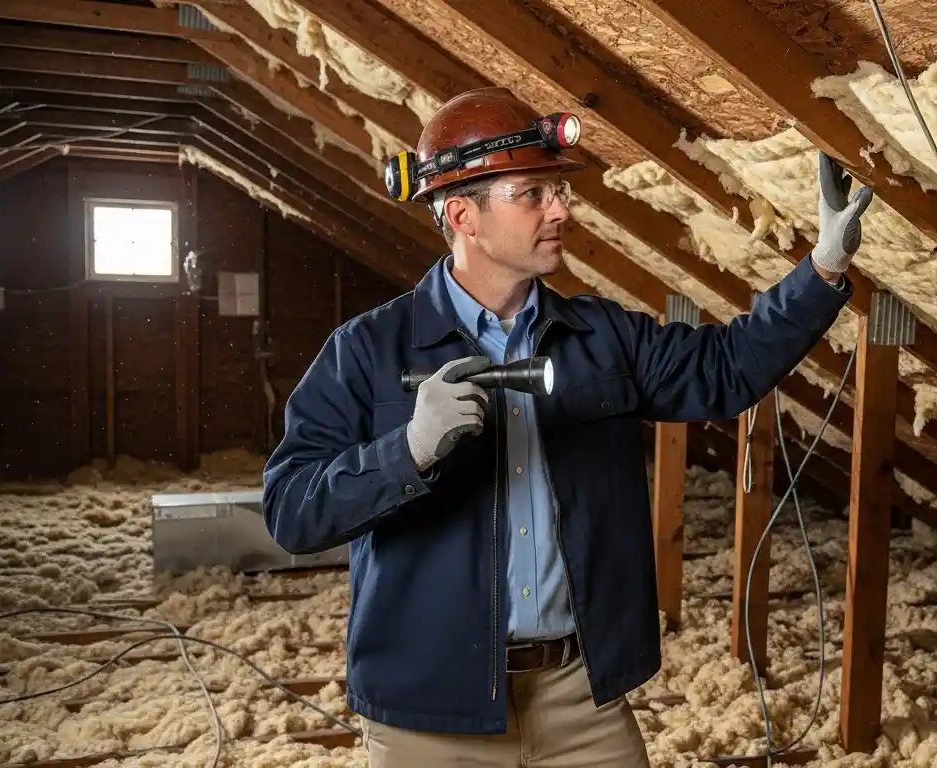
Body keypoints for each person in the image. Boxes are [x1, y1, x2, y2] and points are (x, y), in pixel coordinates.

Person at [261, 86, 873, 767]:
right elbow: (292, 511)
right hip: (433, 713)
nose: (563, 209)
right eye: (533, 194)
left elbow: (724, 370)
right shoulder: (368, 350)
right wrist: (406, 452)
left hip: (580, 699)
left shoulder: (599, 335)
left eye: (559, 190)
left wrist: (822, 269)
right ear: (463, 214)